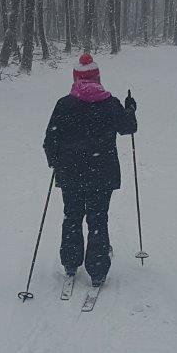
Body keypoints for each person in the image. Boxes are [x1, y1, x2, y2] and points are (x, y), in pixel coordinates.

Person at [43, 53, 137, 288]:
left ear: (75, 79)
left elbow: (50, 139)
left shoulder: (65, 105)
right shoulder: (110, 103)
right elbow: (128, 128)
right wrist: (131, 109)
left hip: (71, 173)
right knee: (97, 219)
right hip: (102, 173)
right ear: (97, 78)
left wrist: (55, 162)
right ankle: (97, 270)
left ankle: (71, 263)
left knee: (72, 216)